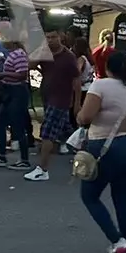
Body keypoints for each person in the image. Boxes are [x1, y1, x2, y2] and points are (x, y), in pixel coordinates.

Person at [76, 52, 126, 253]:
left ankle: (117, 241)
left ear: (107, 67)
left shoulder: (101, 86)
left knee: (90, 196)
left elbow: (86, 117)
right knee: (123, 198)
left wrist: (80, 115)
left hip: (105, 145)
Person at [24, 30, 81, 182]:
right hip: (47, 96)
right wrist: (40, 50)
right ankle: (86, 156)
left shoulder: (68, 57)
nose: (50, 40)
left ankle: (43, 169)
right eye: (47, 37)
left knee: (47, 133)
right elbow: (28, 65)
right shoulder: (45, 53)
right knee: (67, 132)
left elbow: (76, 79)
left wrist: (77, 103)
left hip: (61, 98)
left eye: (53, 37)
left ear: (60, 37)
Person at [0, 29, 31, 170]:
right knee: (0, 122)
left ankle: (24, 159)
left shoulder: (19, 54)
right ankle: (1, 155)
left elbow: (22, 75)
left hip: (17, 92)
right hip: (9, 89)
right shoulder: (12, 54)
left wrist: (1, 75)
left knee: (17, 125)